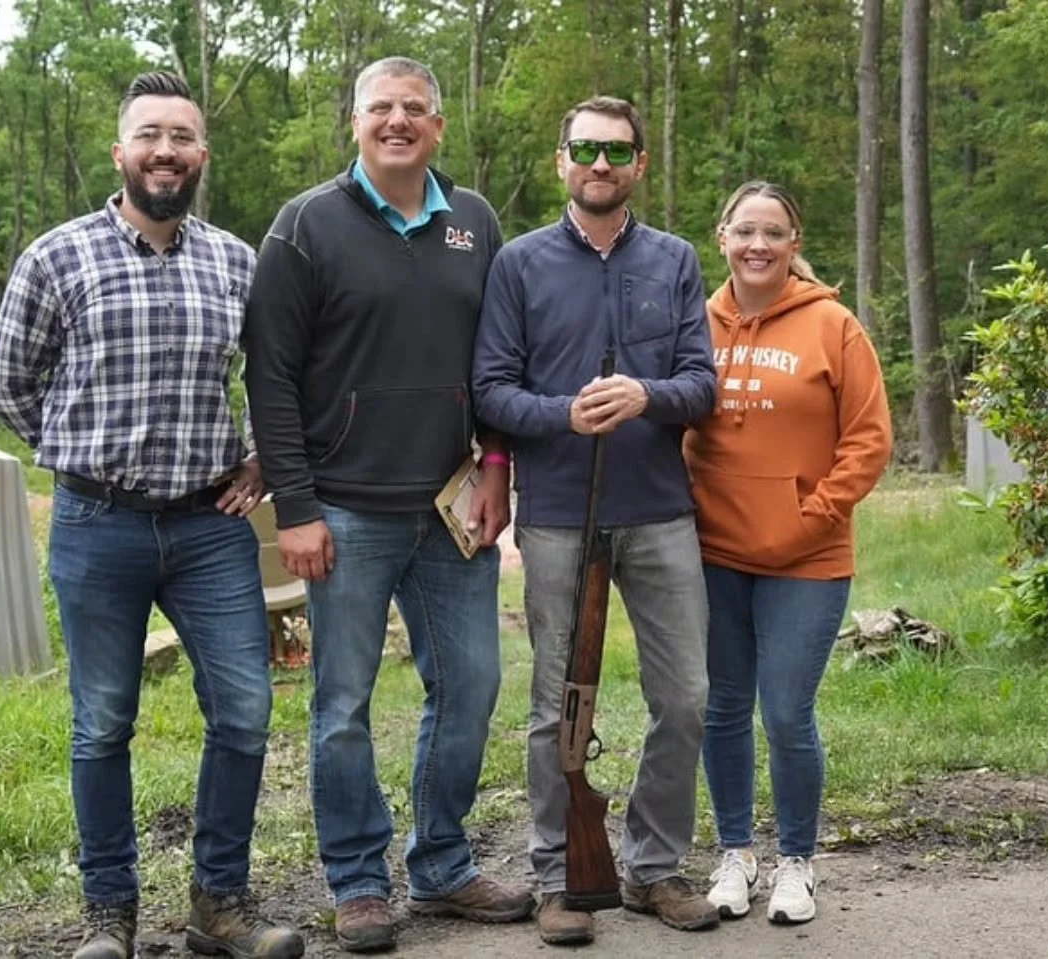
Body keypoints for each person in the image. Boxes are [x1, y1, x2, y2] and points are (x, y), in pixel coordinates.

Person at [0, 71, 304, 959]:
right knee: (102, 721)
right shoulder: (57, 257)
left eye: (182, 137)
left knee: (244, 709)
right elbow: (6, 382)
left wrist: (263, 459)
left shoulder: (238, 262)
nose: (166, 150)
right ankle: (108, 912)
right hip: (98, 526)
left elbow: (276, 378)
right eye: (150, 135)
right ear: (120, 151)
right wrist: (76, 452)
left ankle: (219, 903)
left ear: (202, 154)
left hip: (210, 527)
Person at [242, 55, 535, 954]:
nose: (398, 120)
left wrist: (497, 464)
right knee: (342, 704)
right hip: (345, 511)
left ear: (438, 126)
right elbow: (270, 375)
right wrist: (296, 506)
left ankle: (442, 862)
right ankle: (359, 880)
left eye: (415, 108)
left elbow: (498, 359)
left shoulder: (475, 222)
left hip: (452, 507)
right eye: (382, 108)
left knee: (473, 686)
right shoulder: (305, 226)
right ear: (357, 123)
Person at [471, 95, 720, 947]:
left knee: (684, 696)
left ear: (639, 163)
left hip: (658, 510)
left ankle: (654, 867)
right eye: (584, 150)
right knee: (557, 705)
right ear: (562, 161)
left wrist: (647, 395)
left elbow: (703, 385)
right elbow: (490, 389)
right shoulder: (518, 263)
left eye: (616, 151)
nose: (600, 164)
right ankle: (559, 876)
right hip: (556, 516)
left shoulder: (675, 260)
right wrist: (563, 415)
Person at [686, 181, 892, 926]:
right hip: (713, 551)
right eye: (745, 231)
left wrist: (815, 514)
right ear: (722, 237)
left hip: (807, 557)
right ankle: (736, 853)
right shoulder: (694, 323)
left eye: (774, 233)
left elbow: (869, 439)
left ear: (794, 243)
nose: (758, 245)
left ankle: (797, 862)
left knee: (785, 711)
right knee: (722, 708)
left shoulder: (834, 325)